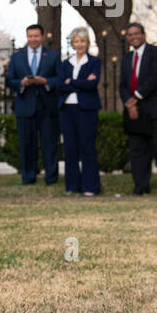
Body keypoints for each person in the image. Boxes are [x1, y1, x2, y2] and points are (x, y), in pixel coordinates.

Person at [119, 21, 157, 196]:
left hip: (156, 109)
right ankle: (141, 186)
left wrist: (136, 97)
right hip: (135, 111)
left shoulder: (156, 52)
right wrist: (129, 103)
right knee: (138, 150)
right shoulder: (127, 58)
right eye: (130, 35)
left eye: (137, 33)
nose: (134, 37)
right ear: (127, 38)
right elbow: (122, 84)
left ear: (143, 35)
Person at [6, 24, 61, 185]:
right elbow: (9, 80)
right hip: (25, 106)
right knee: (26, 144)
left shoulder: (53, 55)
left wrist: (46, 81)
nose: (33, 39)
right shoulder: (17, 57)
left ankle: (51, 177)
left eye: (36, 36)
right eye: (30, 36)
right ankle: (28, 177)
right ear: (27, 37)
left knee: (50, 144)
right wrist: (21, 83)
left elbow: (60, 78)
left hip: (47, 106)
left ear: (42, 37)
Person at [57, 26, 102, 196]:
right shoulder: (65, 63)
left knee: (87, 147)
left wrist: (72, 82)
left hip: (86, 109)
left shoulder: (93, 62)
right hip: (67, 109)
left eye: (82, 41)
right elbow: (60, 85)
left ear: (87, 42)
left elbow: (92, 84)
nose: (79, 44)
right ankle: (72, 185)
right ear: (72, 43)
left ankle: (90, 186)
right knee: (70, 147)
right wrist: (81, 82)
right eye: (76, 41)